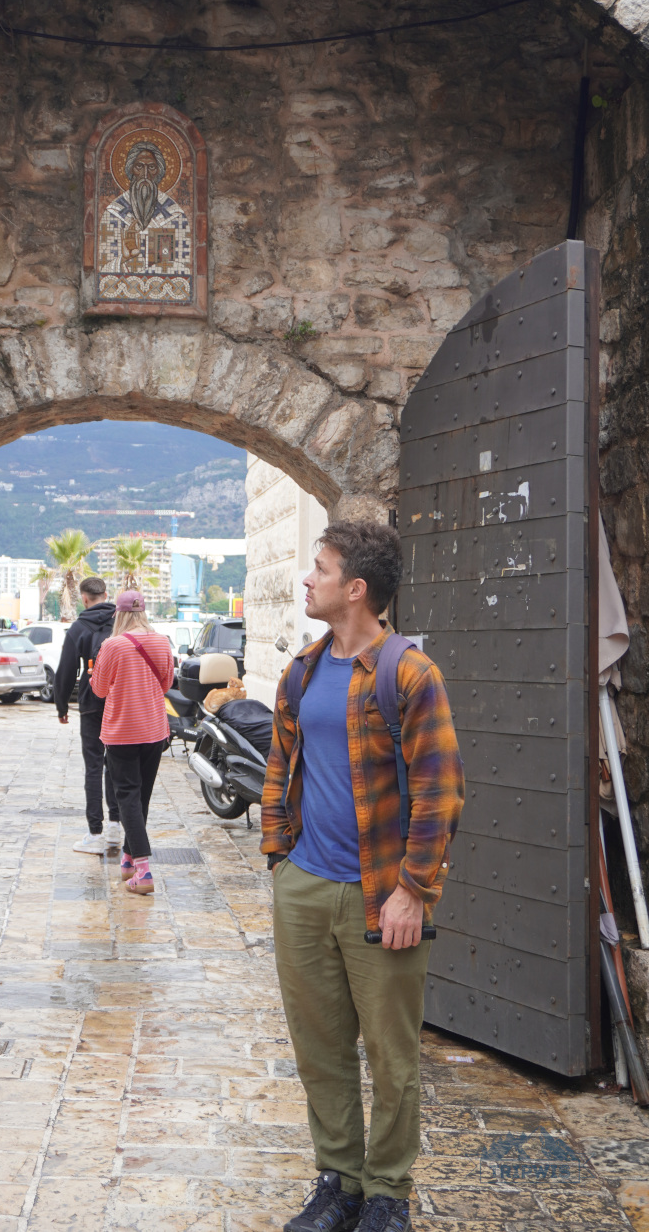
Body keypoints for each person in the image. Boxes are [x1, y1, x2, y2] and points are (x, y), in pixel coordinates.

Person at [262, 521, 464, 1232]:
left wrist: (413, 889)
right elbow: (281, 770)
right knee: (319, 1050)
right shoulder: (302, 671)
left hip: (384, 896)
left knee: (392, 1056)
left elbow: (440, 791)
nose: (305, 580)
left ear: (354, 588)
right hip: (305, 887)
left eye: (318, 569)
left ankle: (386, 1193)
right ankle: (339, 1181)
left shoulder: (408, 672)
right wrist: (278, 860)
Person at [90, 591, 173, 895]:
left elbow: (98, 690)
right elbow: (166, 683)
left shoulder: (112, 645)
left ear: (119, 614)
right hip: (154, 728)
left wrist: (96, 676)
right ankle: (127, 861)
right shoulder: (163, 641)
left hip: (123, 730)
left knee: (126, 796)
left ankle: (144, 869)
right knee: (141, 798)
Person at [54, 576, 122, 855]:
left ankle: (95, 832)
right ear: (106, 595)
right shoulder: (121, 624)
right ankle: (116, 825)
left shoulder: (78, 628)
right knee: (116, 764)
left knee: (94, 766)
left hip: (92, 703)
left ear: (84, 598)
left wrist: (62, 707)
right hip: (120, 702)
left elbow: (66, 672)